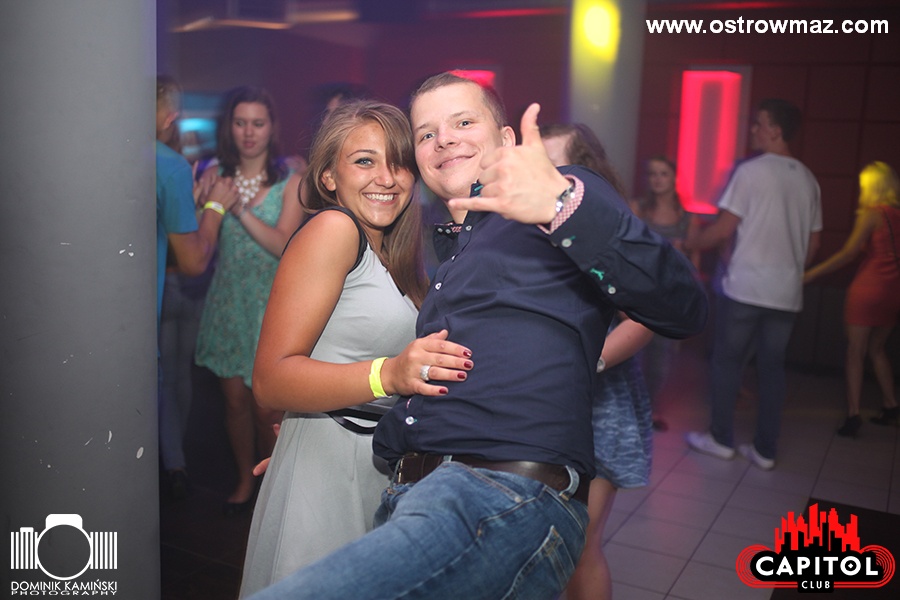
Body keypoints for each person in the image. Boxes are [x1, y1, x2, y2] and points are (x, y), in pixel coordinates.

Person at [247, 72, 706, 600]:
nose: (444, 139)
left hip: (498, 493)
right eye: (426, 134)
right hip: (408, 491)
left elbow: (682, 308)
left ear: (506, 139)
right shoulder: (439, 259)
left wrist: (560, 205)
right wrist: (325, 445)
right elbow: (437, 381)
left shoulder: (558, 205)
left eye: (463, 123)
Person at [239, 100, 474, 595]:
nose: (386, 178)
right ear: (328, 177)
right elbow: (269, 380)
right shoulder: (335, 229)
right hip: (330, 467)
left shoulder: (397, 258)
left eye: (399, 163)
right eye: (364, 161)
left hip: (371, 460)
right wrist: (388, 374)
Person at [539, 123, 656, 600]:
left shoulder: (604, 227)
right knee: (546, 540)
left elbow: (646, 317)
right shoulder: (530, 222)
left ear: (585, 171)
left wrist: (589, 361)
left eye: (557, 165)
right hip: (544, 408)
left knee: (581, 544)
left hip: (599, 410)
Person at [685, 98, 822, 471]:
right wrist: (787, 269)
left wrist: (691, 241)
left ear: (775, 131)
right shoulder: (808, 179)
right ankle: (765, 450)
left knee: (727, 362)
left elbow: (723, 230)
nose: (753, 130)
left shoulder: (751, 172)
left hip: (746, 288)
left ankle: (720, 439)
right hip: (786, 292)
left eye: (759, 124)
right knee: (772, 368)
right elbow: (813, 246)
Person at [194, 86, 304, 513]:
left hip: (271, 307)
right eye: (241, 122)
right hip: (228, 302)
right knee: (234, 404)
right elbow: (196, 244)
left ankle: (271, 489)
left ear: (272, 127)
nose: (249, 132)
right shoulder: (213, 174)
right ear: (230, 126)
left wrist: (238, 209)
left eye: (258, 123)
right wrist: (201, 201)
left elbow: (283, 244)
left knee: (267, 410)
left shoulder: (291, 179)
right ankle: (243, 478)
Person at [155, 75, 239, 497]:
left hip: (162, 297)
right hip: (168, 290)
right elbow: (193, 258)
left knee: (170, 378)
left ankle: (173, 459)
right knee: (170, 379)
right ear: (169, 116)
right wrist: (215, 206)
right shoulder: (169, 164)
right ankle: (175, 462)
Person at [804, 161, 900, 436]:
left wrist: (811, 274)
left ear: (873, 187)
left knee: (855, 352)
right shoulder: (897, 214)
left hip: (868, 289)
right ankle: (891, 406)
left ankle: (853, 415)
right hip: (894, 290)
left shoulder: (872, 214)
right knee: (877, 348)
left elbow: (848, 253)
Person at [630, 156, 702, 431]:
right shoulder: (638, 208)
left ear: (674, 178)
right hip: (638, 293)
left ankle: (650, 411)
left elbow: (693, 264)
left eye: (663, 173)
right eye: (652, 174)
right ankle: (628, 411)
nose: (657, 179)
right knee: (631, 354)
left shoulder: (687, 218)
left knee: (661, 359)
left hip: (669, 296)